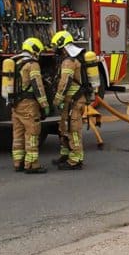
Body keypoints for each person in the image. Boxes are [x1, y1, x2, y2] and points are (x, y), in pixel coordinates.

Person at [50, 29, 89, 170]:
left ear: (63, 46)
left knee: (73, 129)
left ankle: (75, 160)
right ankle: (65, 154)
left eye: (57, 47)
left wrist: (57, 100)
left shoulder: (68, 62)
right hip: (69, 101)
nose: (55, 50)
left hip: (74, 100)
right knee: (63, 128)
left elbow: (65, 83)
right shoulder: (70, 59)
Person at [12, 37, 50, 174]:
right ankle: (32, 164)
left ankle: (18, 162)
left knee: (18, 135)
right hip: (28, 105)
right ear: (34, 50)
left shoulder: (16, 62)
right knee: (32, 134)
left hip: (16, 105)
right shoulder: (32, 64)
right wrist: (44, 104)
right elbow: (37, 86)